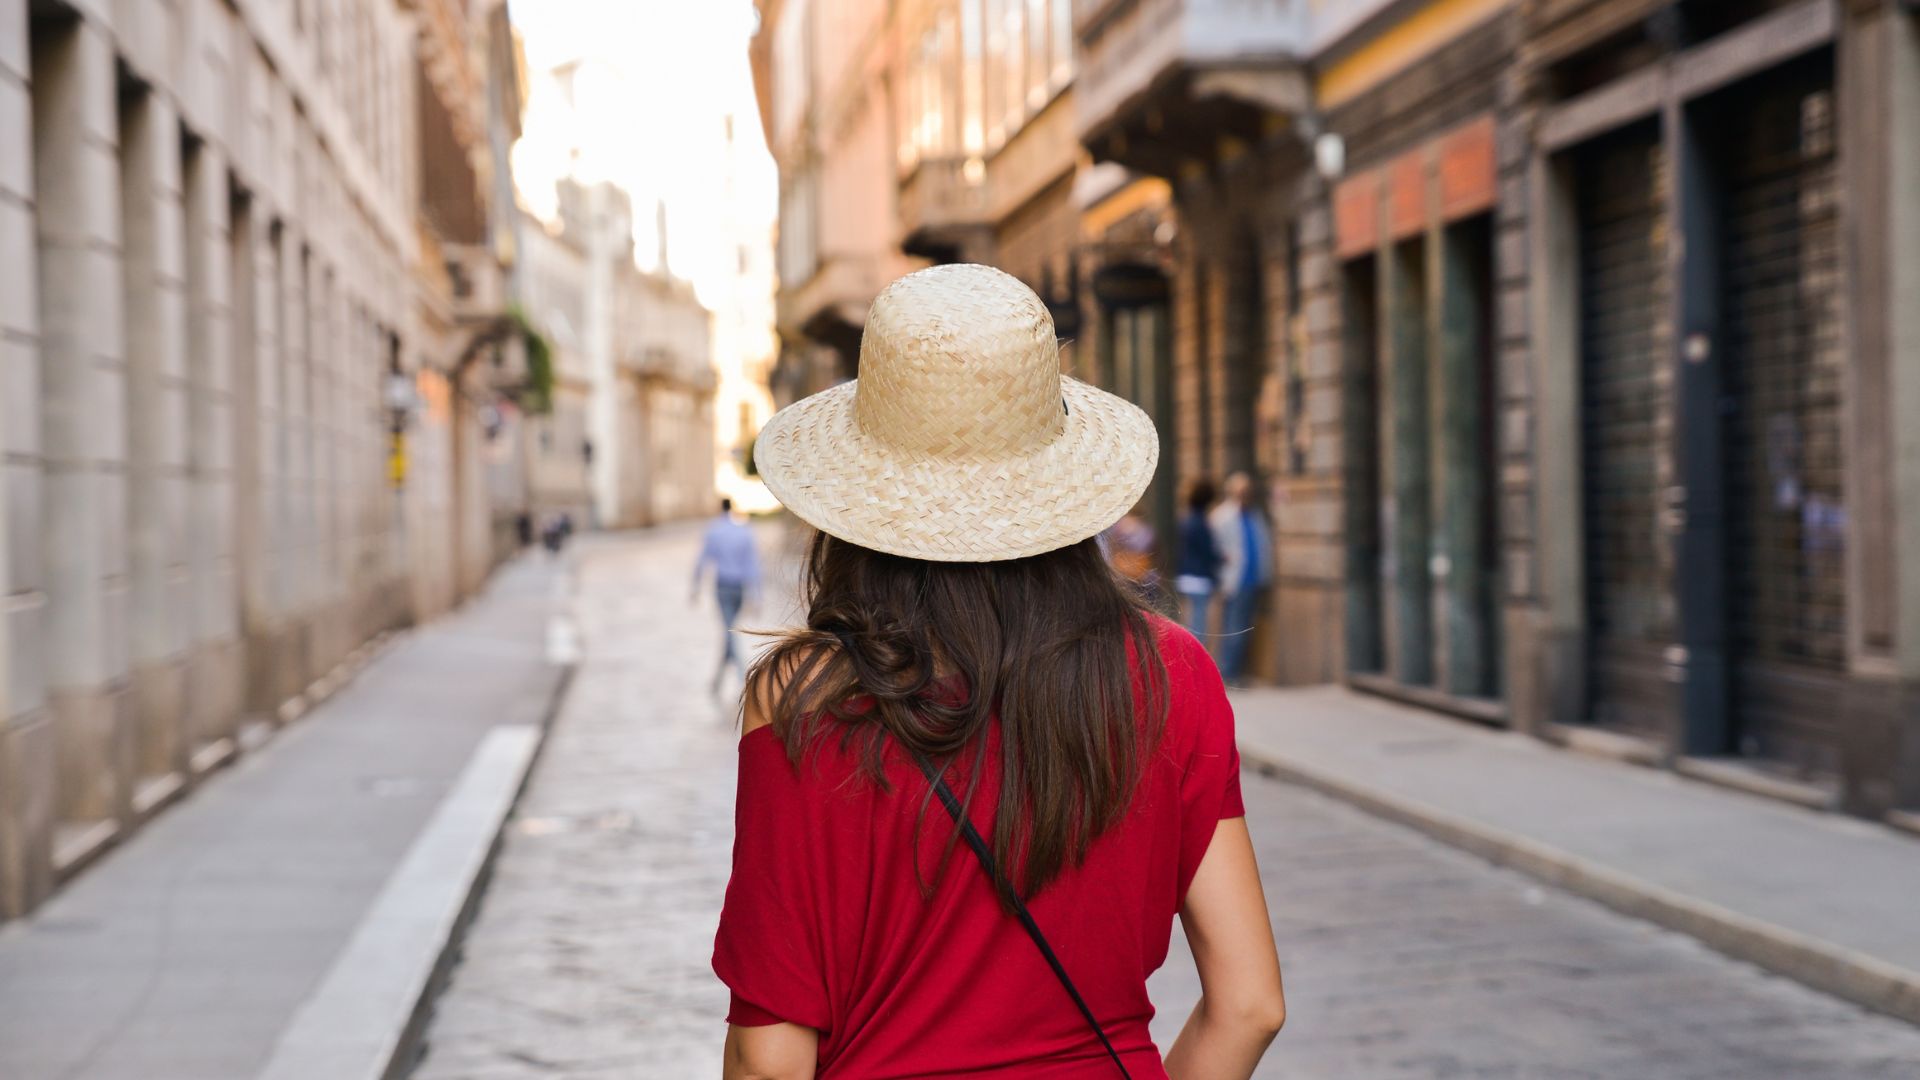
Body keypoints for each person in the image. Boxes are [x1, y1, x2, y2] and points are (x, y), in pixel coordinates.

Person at [714, 265, 1284, 1079]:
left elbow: (769, 1060)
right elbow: (1251, 1004)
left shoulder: (804, 697)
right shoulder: (1172, 672)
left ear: (861, 493)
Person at [1208, 472, 1274, 687]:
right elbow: (1213, 547)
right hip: (1234, 581)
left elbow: (1263, 545)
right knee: (1234, 628)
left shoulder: (1255, 515)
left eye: (1247, 491)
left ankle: (1236, 671)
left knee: (1244, 628)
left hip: (1254, 580)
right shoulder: (1222, 516)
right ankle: (1228, 673)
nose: (1245, 495)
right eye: (1241, 491)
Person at [693, 497, 762, 694]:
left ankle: (743, 676)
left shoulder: (714, 530)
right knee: (729, 630)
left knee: (729, 631)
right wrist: (757, 595)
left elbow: (703, 559)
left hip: (722, 586)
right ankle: (718, 680)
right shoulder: (743, 531)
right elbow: (753, 565)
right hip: (739, 587)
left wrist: (695, 587)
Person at [1174, 478, 1222, 642]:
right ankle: (1194, 658)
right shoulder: (1200, 523)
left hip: (1186, 575)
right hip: (1200, 578)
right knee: (1199, 624)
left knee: (1189, 621)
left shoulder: (1186, 520)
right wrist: (1220, 558)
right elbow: (1207, 551)